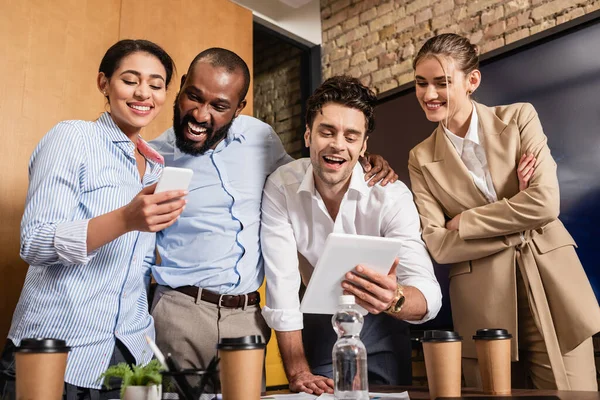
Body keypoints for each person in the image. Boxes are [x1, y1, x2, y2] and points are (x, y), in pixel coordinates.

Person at [148, 48, 398, 373]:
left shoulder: (259, 136)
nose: (200, 114)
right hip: (180, 313)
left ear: (239, 108)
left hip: (248, 318)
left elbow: (304, 179)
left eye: (219, 106)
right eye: (193, 97)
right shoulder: (153, 158)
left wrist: (361, 163)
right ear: (180, 87)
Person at [407, 33, 600, 390]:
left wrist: (466, 221)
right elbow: (439, 244)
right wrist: (518, 219)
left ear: (472, 81)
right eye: (421, 83)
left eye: (442, 82)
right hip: (481, 300)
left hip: (552, 286)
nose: (429, 94)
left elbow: (545, 203)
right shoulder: (420, 158)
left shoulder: (520, 117)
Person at [0, 39, 186, 399]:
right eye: (130, 80)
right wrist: (125, 220)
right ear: (104, 83)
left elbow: (136, 267)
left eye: (156, 84)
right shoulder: (73, 138)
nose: (143, 93)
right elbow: (34, 242)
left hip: (132, 352)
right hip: (57, 349)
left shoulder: (158, 167)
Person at [260, 76, 442, 395]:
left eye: (351, 135)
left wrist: (394, 297)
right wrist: (298, 370)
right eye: (326, 131)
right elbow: (283, 285)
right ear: (308, 135)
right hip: (317, 321)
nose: (337, 145)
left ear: (363, 146)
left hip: (385, 322)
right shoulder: (281, 187)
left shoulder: (391, 196)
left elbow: (428, 290)